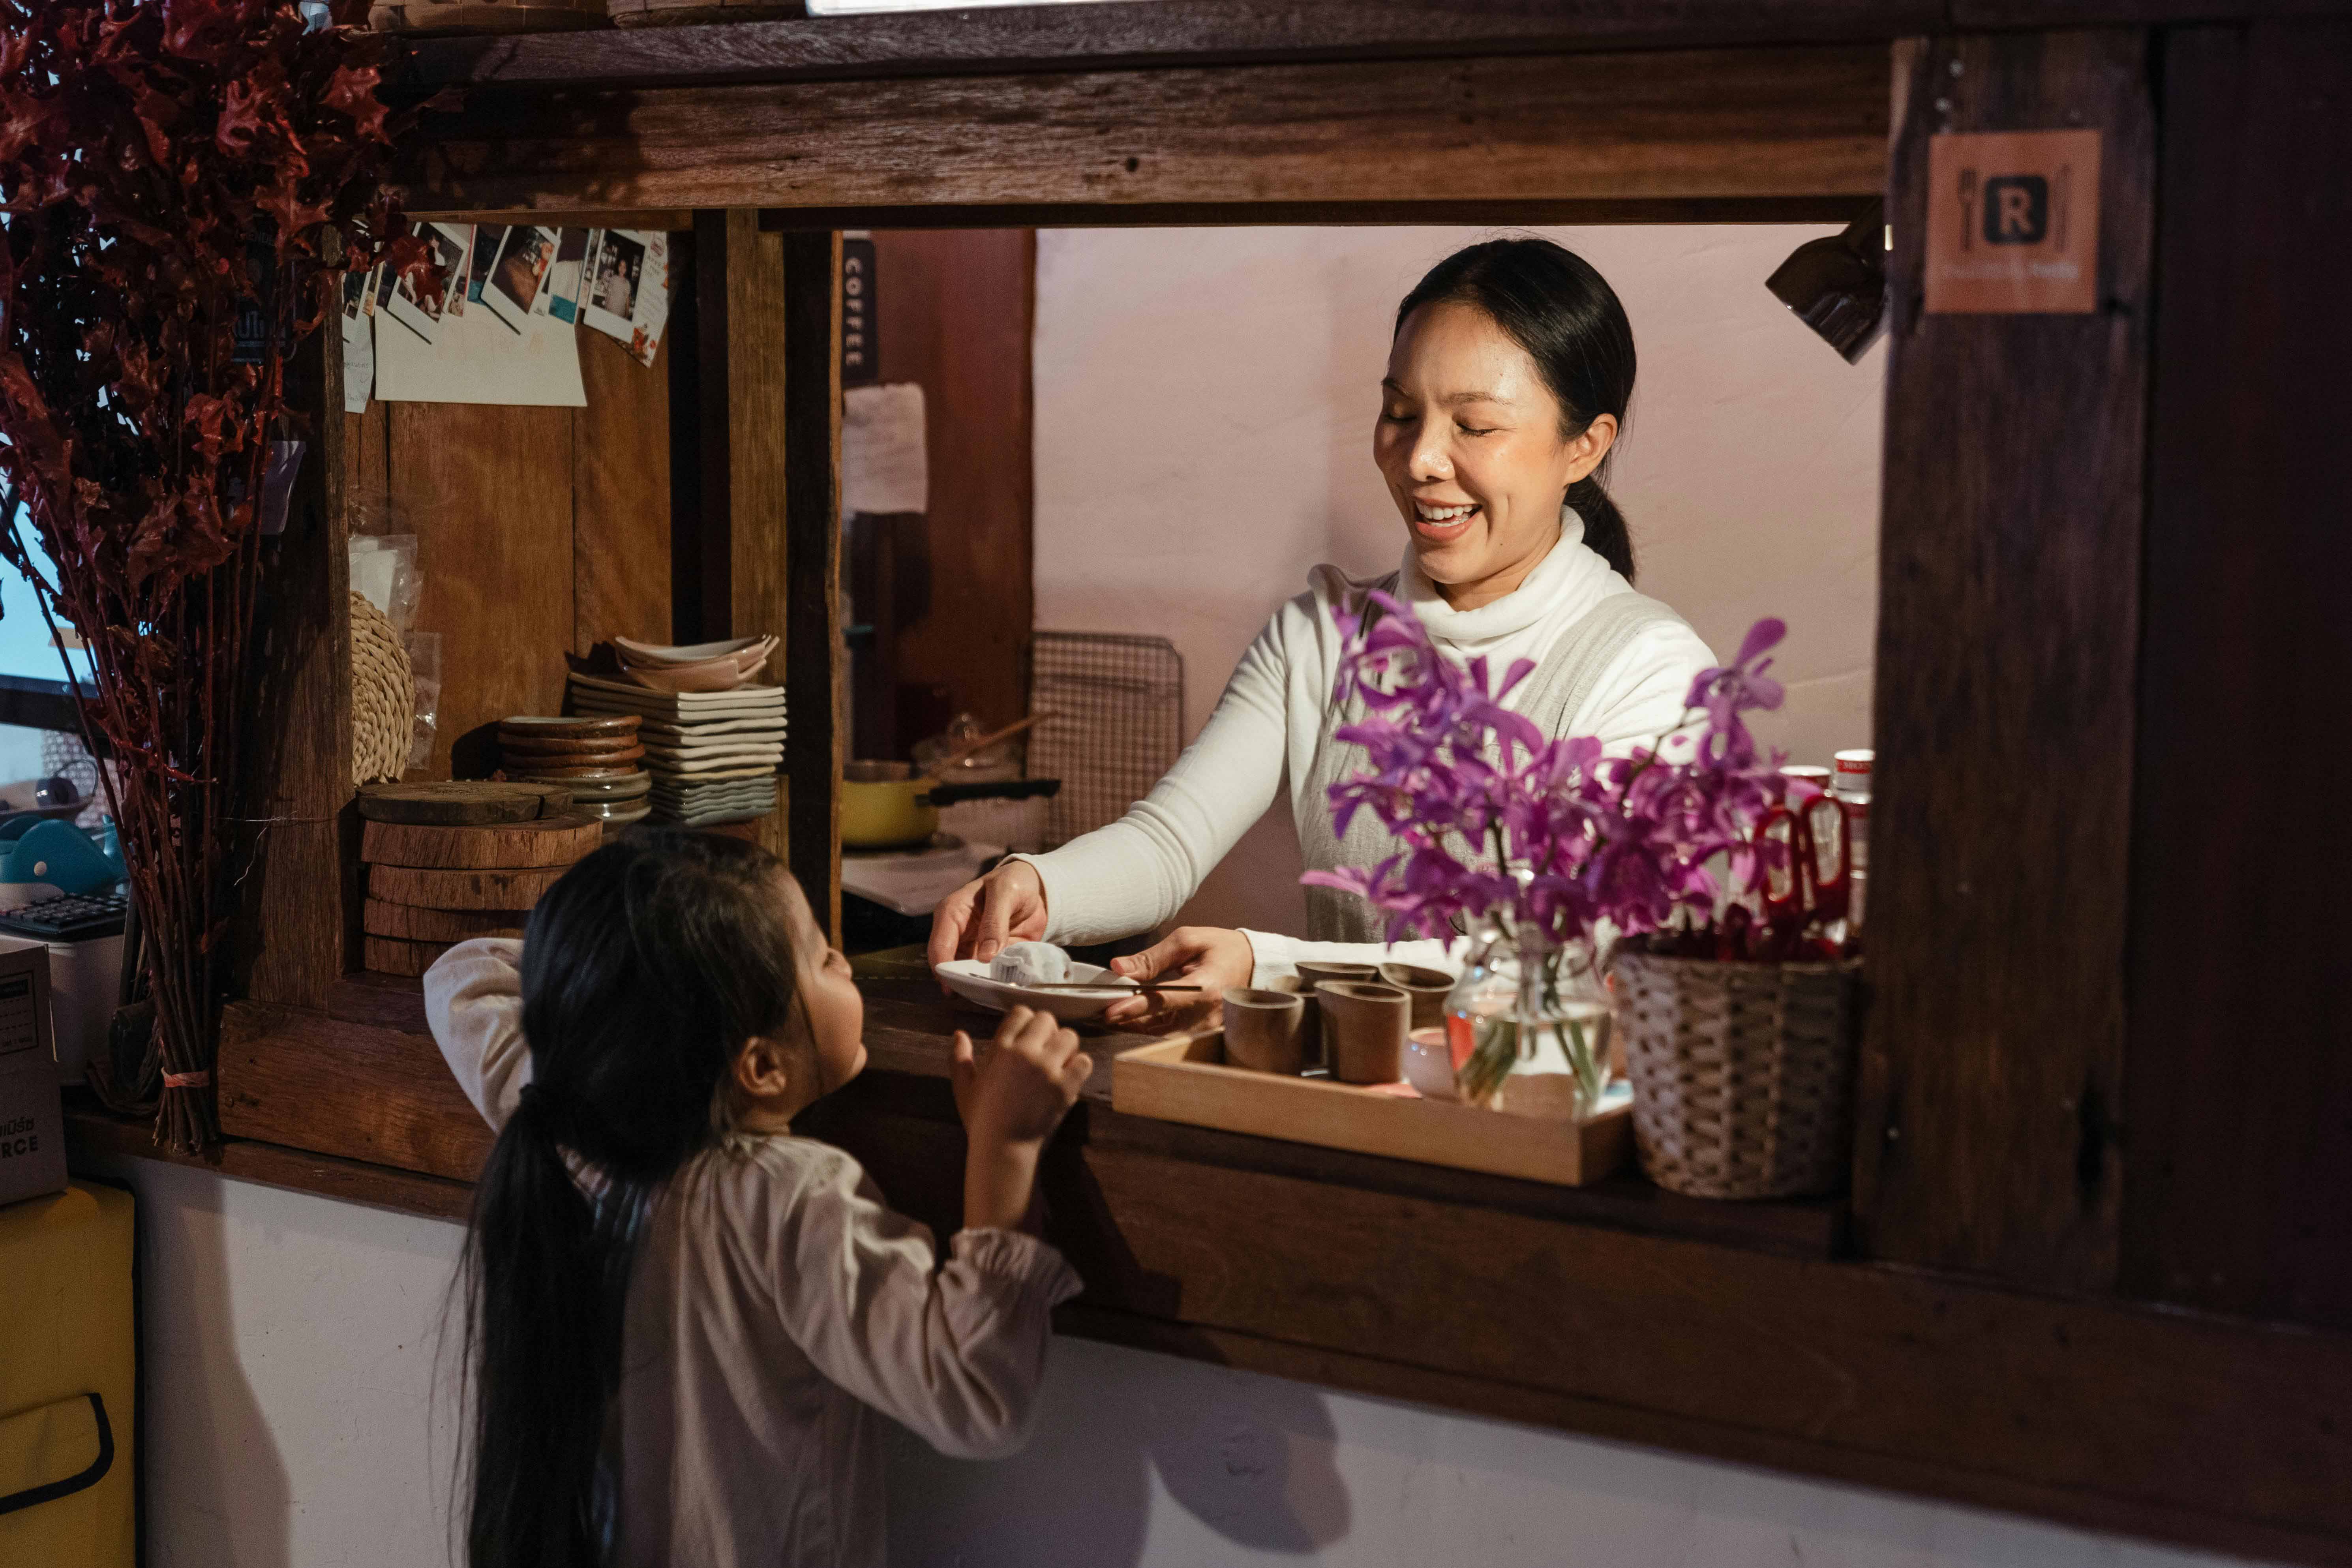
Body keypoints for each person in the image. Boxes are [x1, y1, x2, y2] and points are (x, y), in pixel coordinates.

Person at [930, 236, 1718, 1027]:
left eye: (1475, 426)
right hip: (1347, 1105)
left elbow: (1565, 959)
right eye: (1401, 414)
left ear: (1585, 445)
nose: (1420, 461)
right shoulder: (1324, 635)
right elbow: (1168, 845)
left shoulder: (1650, 671)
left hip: (1538, 1129)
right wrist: (1038, 885)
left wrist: (1275, 965)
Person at [426, 830, 1091, 1568]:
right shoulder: (789, 1201)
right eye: (819, 956)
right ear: (762, 1068)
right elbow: (976, 1397)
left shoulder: (568, 1119)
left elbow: (462, 973)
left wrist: (631, 986)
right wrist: (1007, 1145)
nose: (843, 961)